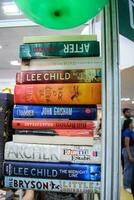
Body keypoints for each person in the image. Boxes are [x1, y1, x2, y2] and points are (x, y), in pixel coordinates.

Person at [122, 118, 134, 193]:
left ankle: (130, 184)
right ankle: (126, 186)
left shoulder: (131, 131)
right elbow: (127, 144)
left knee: (131, 169)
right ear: (129, 124)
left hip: (132, 150)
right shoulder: (126, 132)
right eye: (132, 123)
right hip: (128, 151)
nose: (133, 124)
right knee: (128, 169)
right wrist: (130, 155)